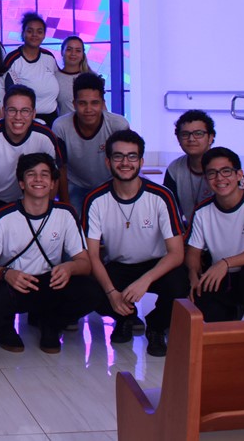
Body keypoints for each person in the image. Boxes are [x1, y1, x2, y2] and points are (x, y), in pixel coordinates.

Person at [0, 154, 96, 354]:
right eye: (31, 174)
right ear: (22, 183)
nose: (38, 179)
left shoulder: (66, 214)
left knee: (91, 290)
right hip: (13, 282)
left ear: (52, 184)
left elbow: (85, 263)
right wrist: (6, 273)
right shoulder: (3, 216)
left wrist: (70, 267)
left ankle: (51, 324)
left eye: (45, 174)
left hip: (48, 283)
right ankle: (5, 325)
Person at [83, 130, 188, 357]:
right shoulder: (95, 199)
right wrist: (112, 293)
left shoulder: (161, 196)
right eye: (118, 156)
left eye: (132, 156)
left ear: (141, 161)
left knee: (180, 283)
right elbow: (92, 255)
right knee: (89, 288)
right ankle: (125, 318)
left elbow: (176, 253)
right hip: (119, 265)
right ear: (108, 162)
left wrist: (145, 280)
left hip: (156, 265)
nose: (125, 163)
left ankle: (156, 326)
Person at [186, 147, 244, 322]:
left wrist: (225, 263)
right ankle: (230, 316)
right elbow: (193, 252)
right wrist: (193, 276)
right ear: (206, 178)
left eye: (226, 171)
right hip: (221, 277)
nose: (220, 178)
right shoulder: (202, 211)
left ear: (239, 175)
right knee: (200, 291)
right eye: (212, 173)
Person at [0, 85, 67, 235]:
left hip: (28, 199)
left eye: (25, 111)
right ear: (3, 111)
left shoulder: (45, 136)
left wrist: (45, 211)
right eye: (12, 110)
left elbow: (54, 177)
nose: (18, 117)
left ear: (34, 113)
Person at [51, 73, 130, 217]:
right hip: (75, 185)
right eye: (82, 103)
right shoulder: (60, 127)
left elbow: (126, 165)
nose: (88, 109)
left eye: (94, 103)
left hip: (109, 184)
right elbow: (61, 168)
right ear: (74, 104)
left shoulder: (118, 125)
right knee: (75, 224)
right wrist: (67, 208)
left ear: (103, 103)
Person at [4, 12, 60, 125]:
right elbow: (8, 93)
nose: (34, 35)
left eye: (39, 31)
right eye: (30, 31)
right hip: (25, 120)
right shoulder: (13, 59)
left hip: (52, 118)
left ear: (44, 35)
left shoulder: (49, 57)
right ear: (23, 33)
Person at [163, 110, 216, 223]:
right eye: (185, 134)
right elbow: (168, 210)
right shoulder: (175, 169)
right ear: (178, 139)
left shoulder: (226, 165)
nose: (191, 139)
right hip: (190, 230)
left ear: (211, 137)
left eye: (198, 133)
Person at [56, 35, 91, 116]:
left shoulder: (91, 78)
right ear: (62, 52)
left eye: (78, 50)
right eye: (69, 49)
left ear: (82, 54)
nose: (73, 54)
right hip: (63, 123)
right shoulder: (54, 78)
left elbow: (102, 108)